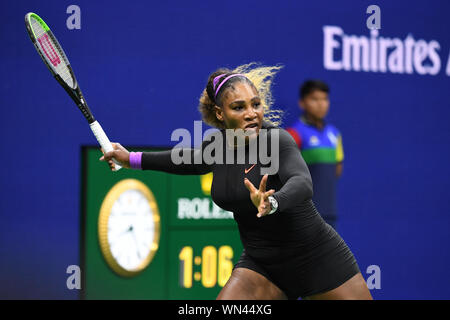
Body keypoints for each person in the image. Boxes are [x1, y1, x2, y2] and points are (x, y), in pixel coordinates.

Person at [100, 64, 372, 300]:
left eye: (256, 104)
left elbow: (302, 182)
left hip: (317, 258)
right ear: (220, 114)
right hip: (262, 267)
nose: (251, 113)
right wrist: (130, 159)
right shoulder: (215, 148)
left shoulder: (277, 141)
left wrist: (274, 201)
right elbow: (181, 160)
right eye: (238, 107)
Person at [286, 80, 343, 229]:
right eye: (314, 99)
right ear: (302, 103)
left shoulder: (334, 134)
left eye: (324, 99)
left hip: (329, 214)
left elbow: (337, 170)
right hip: (304, 215)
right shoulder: (294, 134)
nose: (321, 104)